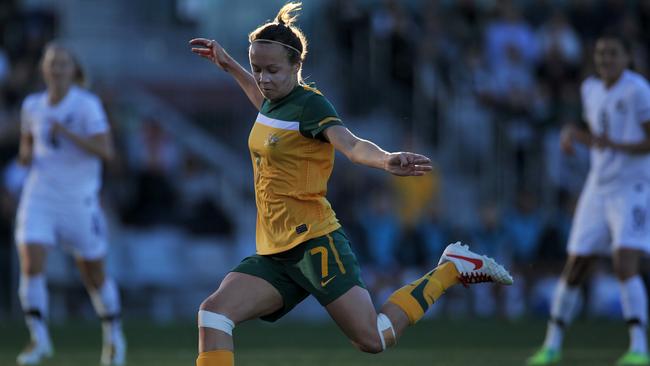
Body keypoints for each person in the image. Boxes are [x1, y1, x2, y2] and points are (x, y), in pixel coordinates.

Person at [189, 3, 513, 366]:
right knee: (213, 313)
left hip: (315, 245)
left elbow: (353, 145)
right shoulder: (274, 105)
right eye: (257, 69)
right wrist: (231, 65)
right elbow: (264, 106)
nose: (263, 79)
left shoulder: (310, 106)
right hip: (276, 251)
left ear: (297, 66)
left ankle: (450, 268)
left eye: (272, 70)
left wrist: (387, 159)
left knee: (373, 339)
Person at [527, 33, 650, 366]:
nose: (605, 60)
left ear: (627, 57)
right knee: (576, 264)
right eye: (600, 54)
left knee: (626, 263)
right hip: (598, 186)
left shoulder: (638, 90)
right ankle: (551, 345)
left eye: (612, 53)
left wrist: (609, 144)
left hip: (633, 187)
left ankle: (639, 347)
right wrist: (572, 133)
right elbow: (594, 129)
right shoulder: (590, 89)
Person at [15, 42, 125, 366]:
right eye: (51, 63)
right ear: (43, 69)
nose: (56, 69)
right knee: (30, 260)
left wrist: (68, 133)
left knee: (93, 273)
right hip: (41, 195)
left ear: (73, 70)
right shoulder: (32, 105)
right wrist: (23, 156)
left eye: (62, 63)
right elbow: (27, 148)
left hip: (78, 199)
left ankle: (114, 336)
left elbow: (106, 151)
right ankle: (39, 338)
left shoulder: (86, 105)